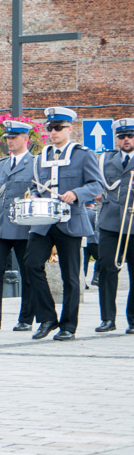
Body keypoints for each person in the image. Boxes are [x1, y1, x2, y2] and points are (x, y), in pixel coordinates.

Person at [25, 107, 104, 341]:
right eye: (50, 128)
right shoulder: (41, 156)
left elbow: (97, 184)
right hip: (43, 221)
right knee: (31, 264)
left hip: (70, 221)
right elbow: (35, 186)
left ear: (70, 128)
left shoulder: (83, 154)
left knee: (70, 276)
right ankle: (48, 318)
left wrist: (77, 193)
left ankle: (68, 326)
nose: (53, 132)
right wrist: (35, 197)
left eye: (58, 127)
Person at [0, 120, 35, 332]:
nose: (9, 141)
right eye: (8, 138)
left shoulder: (34, 163)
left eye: (14, 137)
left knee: (27, 273)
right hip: (0, 225)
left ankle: (26, 318)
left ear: (25, 139)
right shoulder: (1, 164)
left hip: (24, 226)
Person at [94, 118, 134, 334]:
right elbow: (96, 186)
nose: (126, 139)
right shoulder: (105, 159)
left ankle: (133, 320)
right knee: (107, 269)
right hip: (110, 223)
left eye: (130, 135)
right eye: (122, 136)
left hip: (133, 223)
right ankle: (107, 318)